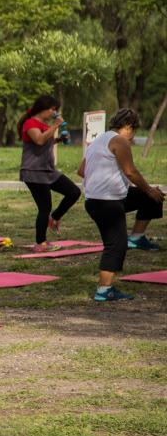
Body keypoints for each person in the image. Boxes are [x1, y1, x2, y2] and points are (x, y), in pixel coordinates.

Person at [78, 108, 164, 302]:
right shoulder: (120, 141)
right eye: (134, 131)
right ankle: (104, 290)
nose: (133, 137)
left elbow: (82, 170)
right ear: (128, 126)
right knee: (116, 244)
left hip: (98, 200)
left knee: (152, 198)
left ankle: (137, 237)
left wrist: (147, 192)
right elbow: (130, 172)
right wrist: (149, 188)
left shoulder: (98, 141)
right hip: (106, 203)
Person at [17, 95, 81, 252]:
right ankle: (40, 243)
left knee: (74, 192)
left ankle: (55, 218)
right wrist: (55, 126)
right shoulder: (30, 123)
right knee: (44, 207)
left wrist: (59, 139)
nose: (54, 113)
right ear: (43, 108)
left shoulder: (43, 124)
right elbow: (38, 140)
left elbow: (44, 142)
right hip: (33, 171)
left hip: (48, 170)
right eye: (53, 109)